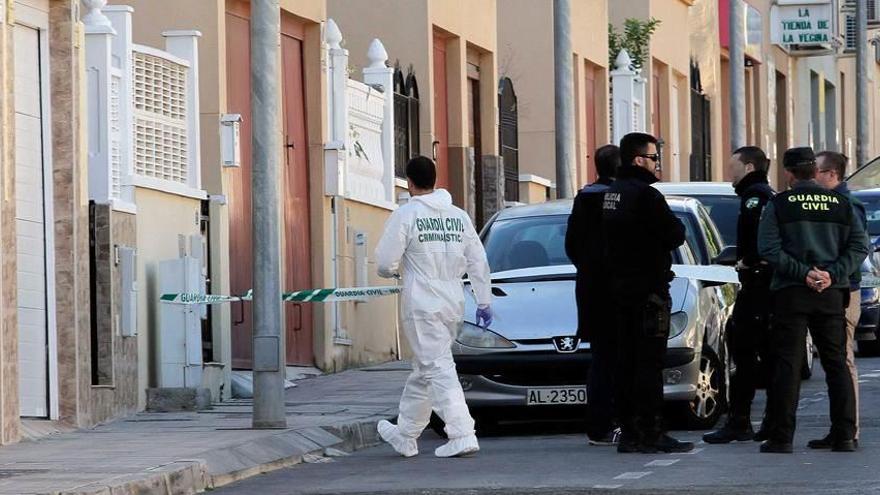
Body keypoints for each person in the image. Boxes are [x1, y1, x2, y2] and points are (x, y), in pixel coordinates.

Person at [374, 156, 493, 458]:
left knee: (437, 367)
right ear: (435, 179)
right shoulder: (458, 216)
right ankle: (406, 433)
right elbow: (478, 260)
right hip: (452, 300)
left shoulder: (407, 214)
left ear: (409, 183)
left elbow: (385, 262)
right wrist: (483, 300)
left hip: (422, 302)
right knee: (425, 367)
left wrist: (392, 272)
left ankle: (462, 432)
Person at [757, 147, 868, 454]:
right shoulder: (840, 203)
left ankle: (781, 437)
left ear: (789, 173)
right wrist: (831, 274)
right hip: (831, 294)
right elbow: (860, 247)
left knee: (787, 364)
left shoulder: (779, 204)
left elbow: (767, 248)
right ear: (813, 170)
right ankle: (845, 434)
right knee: (836, 364)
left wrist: (803, 273)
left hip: (792, 293)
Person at [601, 132, 692, 454]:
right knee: (649, 364)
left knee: (626, 362)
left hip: (620, 289)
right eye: (654, 158)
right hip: (649, 292)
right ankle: (652, 432)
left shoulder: (614, 192)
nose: (657, 164)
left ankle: (628, 432)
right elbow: (674, 234)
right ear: (639, 159)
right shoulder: (647, 196)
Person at [704, 147, 776, 444]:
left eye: (732, 166)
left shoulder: (755, 197)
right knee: (762, 356)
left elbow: (756, 242)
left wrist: (747, 260)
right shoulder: (762, 193)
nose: (728, 172)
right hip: (764, 288)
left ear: (748, 167)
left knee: (746, 353)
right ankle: (762, 422)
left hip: (759, 287)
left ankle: (741, 422)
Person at [565, 144, 621, 446]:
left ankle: (599, 426)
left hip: (590, 289)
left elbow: (572, 244)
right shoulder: (623, 197)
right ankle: (620, 423)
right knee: (623, 359)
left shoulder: (583, 198)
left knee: (600, 359)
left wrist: (589, 270)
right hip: (620, 289)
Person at [812, 150, 867, 449]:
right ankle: (840, 428)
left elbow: (856, 250)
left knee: (844, 361)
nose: (813, 176)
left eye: (817, 171)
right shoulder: (831, 203)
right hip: (832, 288)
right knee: (836, 360)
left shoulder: (847, 204)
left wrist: (831, 274)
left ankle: (849, 429)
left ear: (831, 173)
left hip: (845, 290)